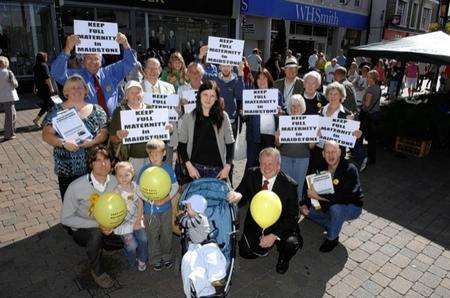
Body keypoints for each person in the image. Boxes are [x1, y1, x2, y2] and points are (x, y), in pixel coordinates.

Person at [61, 146, 122, 288]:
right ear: (90, 164)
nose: (103, 164)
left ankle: (107, 245)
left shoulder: (116, 181)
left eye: (106, 159)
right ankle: (97, 270)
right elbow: (65, 219)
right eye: (97, 160)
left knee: (127, 239)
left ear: (111, 162)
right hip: (85, 229)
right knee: (95, 236)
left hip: (111, 225)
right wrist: (98, 225)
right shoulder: (76, 187)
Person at [235, 148, 302, 274]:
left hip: (280, 225)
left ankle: (283, 258)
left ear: (278, 165)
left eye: (270, 164)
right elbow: (240, 191)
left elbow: (293, 215)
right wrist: (237, 195)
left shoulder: (290, 185)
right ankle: (260, 243)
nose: (266, 167)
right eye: (263, 163)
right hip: (256, 222)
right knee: (245, 252)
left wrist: (274, 235)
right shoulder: (251, 174)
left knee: (291, 243)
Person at [42, 75, 108, 199]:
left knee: (96, 204)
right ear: (66, 92)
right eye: (72, 88)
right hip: (67, 169)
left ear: (85, 90)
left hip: (94, 167)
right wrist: (63, 143)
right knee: (71, 207)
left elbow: (104, 132)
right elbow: (46, 135)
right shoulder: (57, 111)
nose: (76, 90)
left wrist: (93, 141)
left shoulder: (97, 109)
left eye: (80, 87)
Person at [51, 33, 138, 116]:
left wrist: (125, 44)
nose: (93, 62)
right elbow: (57, 73)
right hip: (90, 125)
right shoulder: (76, 77)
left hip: (112, 124)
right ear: (83, 61)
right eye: (89, 58)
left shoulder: (110, 72)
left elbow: (130, 62)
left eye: (96, 58)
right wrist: (67, 49)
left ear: (101, 61)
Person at [300, 141, 363, 252]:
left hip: (351, 206)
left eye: (333, 152)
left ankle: (332, 238)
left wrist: (318, 197)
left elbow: (343, 197)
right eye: (327, 152)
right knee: (307, 211)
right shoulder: (319, 167)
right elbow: (309, 185)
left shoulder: (350, 168)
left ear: (339, 152)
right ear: (323, 154)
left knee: (336, 209)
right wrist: (305, 203)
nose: (331, 155)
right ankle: (333, 223)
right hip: (329, 203)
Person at [135, 139, 179, 271]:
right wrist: (150, 200)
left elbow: (175, 186)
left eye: (157, 154)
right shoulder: (144, 170)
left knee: (166, 233)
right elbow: (138, 189)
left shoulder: (168, 169)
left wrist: (166, 199)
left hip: (166, 208)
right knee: (152, 234)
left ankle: (166, 256)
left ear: (164, 153)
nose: (154, 157)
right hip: (150, 210)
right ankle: (155, 258)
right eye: (150, 154)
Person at [178, 80, 235, 181]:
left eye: (212, 96)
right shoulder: (188, 117)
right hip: (195, 170)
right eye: (205, 94)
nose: (208, 99)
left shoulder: (223, 117)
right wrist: (189, 166)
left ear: (216, 98)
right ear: (199, 95)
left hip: (218, 171)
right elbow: (181, 145)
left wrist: (228, 166)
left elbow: (230, 143)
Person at [180, 194, 227, 298]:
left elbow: (186, 223)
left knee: (213, 259)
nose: (186, 210)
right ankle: (196, 284)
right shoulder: (192, 216)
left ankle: (217, 278)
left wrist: (181, 217)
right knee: (195, 263)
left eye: (187, 208)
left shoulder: (200, 218)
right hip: (195, 246)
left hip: (207, 243)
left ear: (196, 209)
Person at [198, 45, 244, 138]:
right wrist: (200, 57)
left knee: (230, 151)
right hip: (215, 120)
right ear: (219, 67)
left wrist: (240, 76)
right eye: (223, 65)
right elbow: (199, 72)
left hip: (231, 121)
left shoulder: (236, 80)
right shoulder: (214, 78)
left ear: (231, 67)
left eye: (228, 65)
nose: (226, 68)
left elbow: (239, 96)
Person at [244, 68, 284, 169]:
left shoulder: (276, 93)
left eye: (264, 78)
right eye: (259, 78)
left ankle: (264, 184)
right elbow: (244, 117)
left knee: (267, 164)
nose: (261, 81)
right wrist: (243, 112)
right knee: (252, 164)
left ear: (268, 79)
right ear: (256, 81)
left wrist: (280, 113)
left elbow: (283, 113)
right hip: (254, 135)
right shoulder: (250, 94)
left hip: (270, 135)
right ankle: (250, 184)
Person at [109, 80, 152, 170]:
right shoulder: (119, 111)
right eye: (132, 92)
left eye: (138, 92)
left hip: (152, 157)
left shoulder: (151, 108)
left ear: (143, 94)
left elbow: (159, 132)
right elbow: (112, 138)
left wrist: (166, 129)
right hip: (130, 159)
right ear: (126, 96)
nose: (136, 95)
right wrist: (118, 136)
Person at [141, 58, 177, 166]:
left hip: (166, 137)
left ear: (160, 70)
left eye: (155, 68)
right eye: (149, 68)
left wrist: (178, 111)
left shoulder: (170, 88)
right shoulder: (137, 89)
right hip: (144, 139)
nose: (152, 71)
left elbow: (174, 113)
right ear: (144, 70)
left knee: (166, 171)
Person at [113, 161, 148, 271]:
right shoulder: (116, 192)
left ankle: (142, 259)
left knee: (143, 239)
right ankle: (132, 259)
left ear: (132, 174)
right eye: (120, 176)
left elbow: (140, 204)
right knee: (132, 246)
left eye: (126, 175)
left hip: (136, 219)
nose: (123, 178)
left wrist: (138, 220)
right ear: (116, 177)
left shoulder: (135, 188)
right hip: (123, 223)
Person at [275, 94, 311, 201]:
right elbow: (278, 145)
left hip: (302, 158)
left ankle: (297, 208)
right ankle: (285, 206)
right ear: (289, 108)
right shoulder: (284, 121)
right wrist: (277, 138)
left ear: (302, 107)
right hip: (285, 157)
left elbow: (311, 146)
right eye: (293, 106)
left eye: (298, 106)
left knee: (299, 185)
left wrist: (314, 138)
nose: (295, 108)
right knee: (285, 184)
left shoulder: (308, 122)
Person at [359, 70, 381, 165]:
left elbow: (367, 104)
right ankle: (372, 158)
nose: (366, 78)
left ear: (372, 79)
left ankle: (360, 155)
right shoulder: (378, 88)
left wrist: (362, 102)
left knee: (360, 135)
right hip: (376, 114)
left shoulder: (370, 89)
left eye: (368, 77)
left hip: (367, 115)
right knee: (372, 138)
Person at [32, 52, 55, 127]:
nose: (47, 58)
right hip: (46, 88)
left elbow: (35, 78)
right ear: (43, 58)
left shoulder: (35, 66)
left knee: (48, 105)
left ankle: (44, 120)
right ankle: (41, 120)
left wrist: (35, 88)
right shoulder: (44, 66)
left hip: (40, 88)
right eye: (46, 56)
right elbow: (47, 78)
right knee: (48, 105)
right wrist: (51, 88)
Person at [0, 56, 18, 141]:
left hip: (2, 96)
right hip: (9, 96)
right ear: (5, 63)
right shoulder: (8, 72)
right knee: (11, 116)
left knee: (9, 115)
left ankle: (10, 133)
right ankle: (8, 134)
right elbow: (15, 84)